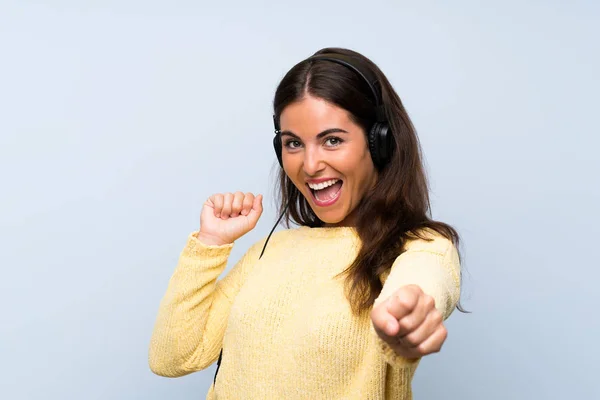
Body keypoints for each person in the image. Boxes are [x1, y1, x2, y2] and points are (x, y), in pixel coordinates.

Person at [148, 47, 463, 400]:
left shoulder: (422, 248)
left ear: (380, 143)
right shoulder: (271, 252)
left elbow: (420, 289)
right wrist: (209, 246)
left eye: (332, 140)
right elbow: (172, 357)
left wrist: (408, 319)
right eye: (293, 143)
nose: (310, 165)